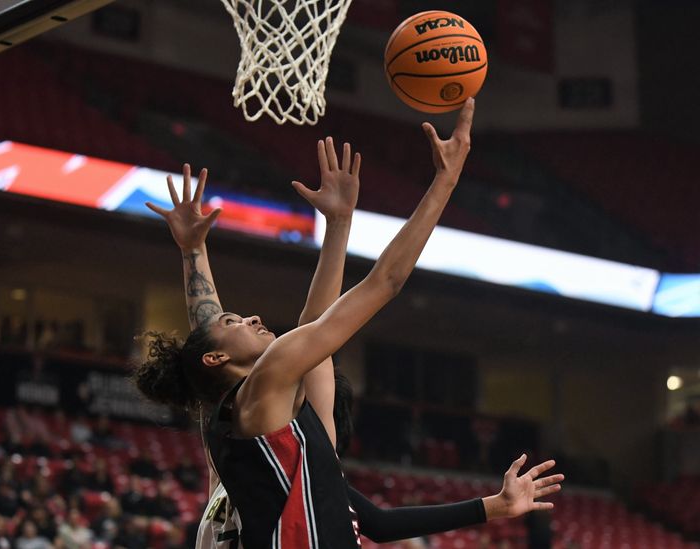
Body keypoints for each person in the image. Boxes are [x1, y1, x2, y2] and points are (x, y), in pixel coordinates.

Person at [136, 100, 562, 548]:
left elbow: (376, 522)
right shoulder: (263, 390)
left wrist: (194, 251)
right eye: (237, 321)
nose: (254, 317)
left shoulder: (252, 432)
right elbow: (384, 283)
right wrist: (446, 180)